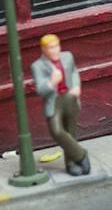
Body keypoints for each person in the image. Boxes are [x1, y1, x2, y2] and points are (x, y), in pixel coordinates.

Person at [30, 34, 90, 176]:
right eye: (51, 48)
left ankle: (71, 164)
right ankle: (81, 155)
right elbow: (40, 90)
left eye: (56, 46)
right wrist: (52, 83)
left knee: (71, 131)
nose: (55, 50)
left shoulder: (67, 56)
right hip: (54, 101)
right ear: (44, 49)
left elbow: (74, 72)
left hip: (70, 97)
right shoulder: (37, 66)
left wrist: (76, 86)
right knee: (56, 130)